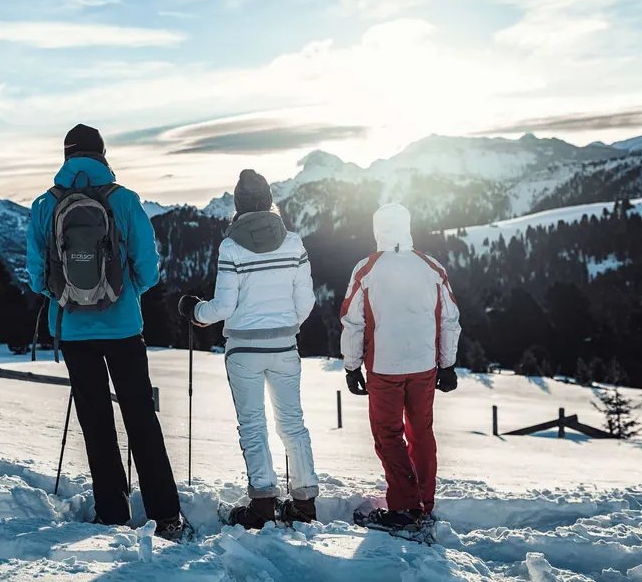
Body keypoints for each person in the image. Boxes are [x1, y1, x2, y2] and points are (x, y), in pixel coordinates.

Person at [26, 124, 184, 540]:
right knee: (140, 416)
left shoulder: (45, 205)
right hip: (124, 327)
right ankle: (166, 514)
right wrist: (123, 293)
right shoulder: (126, 201)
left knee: (95, 420)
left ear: (66, 156)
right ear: (101, 155)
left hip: (74, 332)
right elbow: (149, 269)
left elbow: (36, 276)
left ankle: (112, 511)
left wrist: (67, 298)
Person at [179, 170, 320, 529]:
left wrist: (195, 311)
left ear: (238, 205)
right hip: (285, 346)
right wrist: (286, 327)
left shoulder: (231, 247)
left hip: (243, 351)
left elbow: (223, 307)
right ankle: (304, 504)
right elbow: (306, 302)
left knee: (253, 425)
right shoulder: (294, 243)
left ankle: (262, 505)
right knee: (293, 423)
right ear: (270, 201)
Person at [340, 203, 460, 530]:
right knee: (421, 432)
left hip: (384, 367)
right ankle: (424, 502)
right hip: (424, 365)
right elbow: (450, 320)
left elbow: (353, 322)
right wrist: (447, 365)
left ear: (378, 229)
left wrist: (352, 367)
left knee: (388, 435)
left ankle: (405, 506)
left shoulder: (367, 269)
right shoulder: (431, 267)